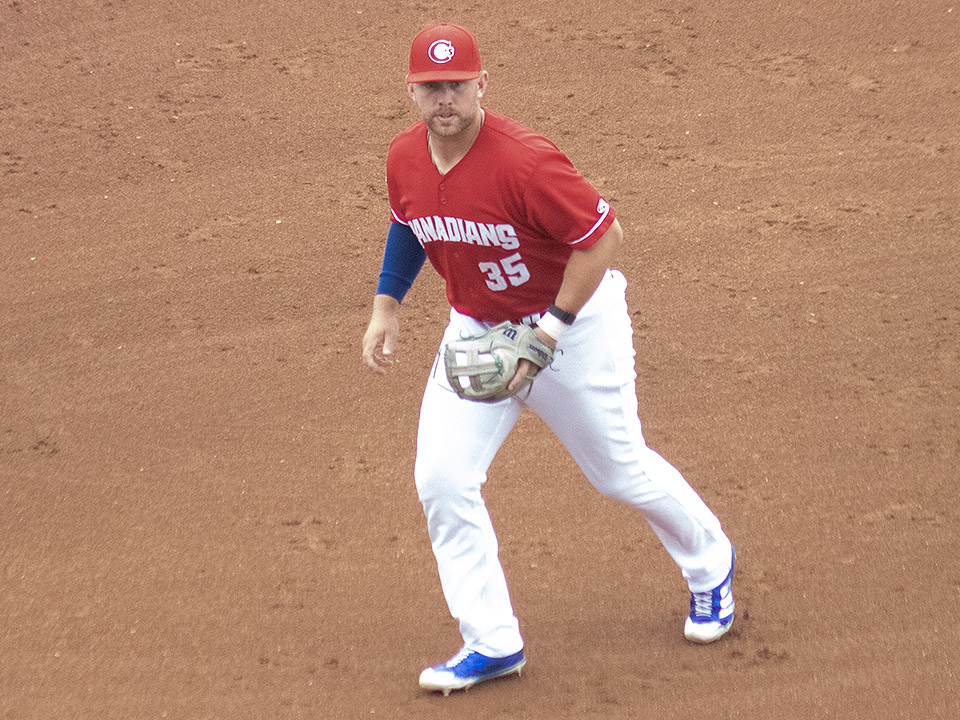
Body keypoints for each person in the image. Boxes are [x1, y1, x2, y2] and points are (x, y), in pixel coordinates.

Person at [361, 22, 736, 697]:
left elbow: (601, 238)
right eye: (430, 87)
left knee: (619, 470)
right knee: (442, 479)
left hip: (572, 326)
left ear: (481, 84)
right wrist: (386, 305)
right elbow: (407, 222)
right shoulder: (403, 157)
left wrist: (551, 332)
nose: (444, 98)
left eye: (455, 84)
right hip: (476, 330)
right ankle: (492, 641)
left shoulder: (525, 162)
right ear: (412, 91)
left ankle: (711, 564)